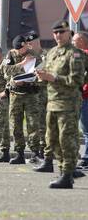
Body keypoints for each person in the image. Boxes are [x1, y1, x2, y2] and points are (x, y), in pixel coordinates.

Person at [34, 20, 85, 189]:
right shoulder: (52, 53)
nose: (58, 35)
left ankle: (67, 174)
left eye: (61, 32)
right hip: (52, 102)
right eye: (55, 32)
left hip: (68, 104)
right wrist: (41, 77)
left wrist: (53, 78)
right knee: (52, 140)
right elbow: (48, 76)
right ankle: (64, 170)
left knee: (67, 140)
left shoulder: (75, 54)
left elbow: (77, 80)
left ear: (69, 33)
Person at [4, 35, 41, 164]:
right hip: (16, 95)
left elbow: (42, 72)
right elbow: (7, 70)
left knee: (33, 125)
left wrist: (32, 78)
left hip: (31, 94)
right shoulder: (11, 54)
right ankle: (19, 153)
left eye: (22, 48)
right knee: (16, 125)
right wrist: (22, 64)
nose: (20, 51)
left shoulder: (34, 55)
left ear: (26, 44)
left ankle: (36, 153)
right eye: (18, 49)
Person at [25, 31, 47, 159]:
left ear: (38, 42)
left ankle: (43, 150)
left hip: (43, 94)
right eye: (29, 43)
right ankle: (34, 150)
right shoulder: (27, 57)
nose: (30, 45)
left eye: (32, 42)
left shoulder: (47, 56)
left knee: (43, 124)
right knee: (31, 123)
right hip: (30, 95)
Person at [72, 32, 88, 168]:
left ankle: (86, 159)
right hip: (83, 96)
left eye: (74, 40)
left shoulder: (84, 54)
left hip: (85, 96)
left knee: (86, 130)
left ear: (82, 40)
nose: (72, 42)